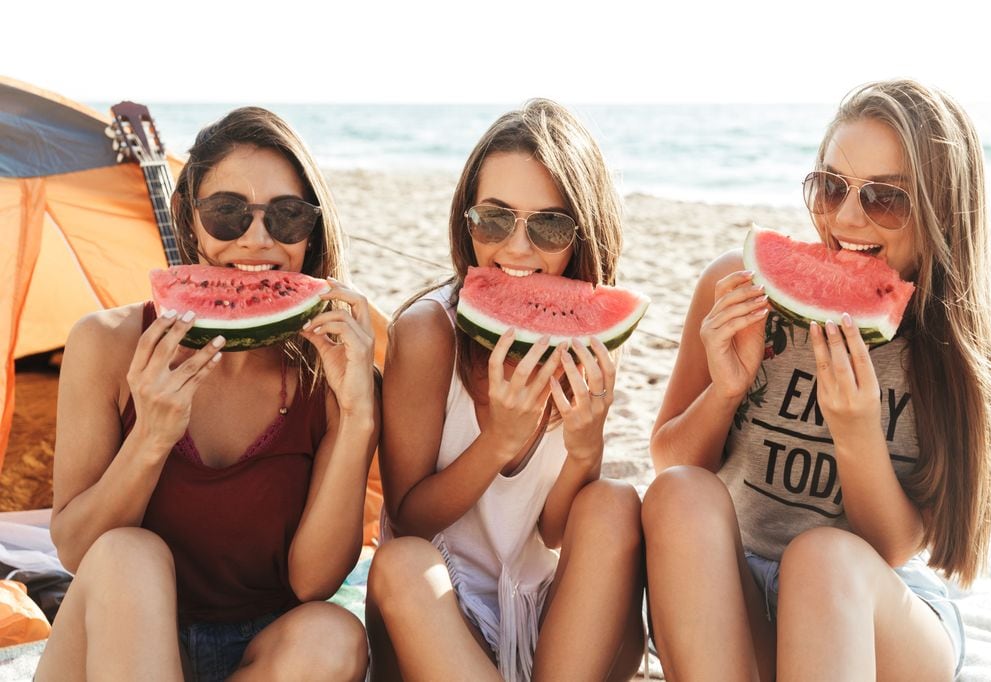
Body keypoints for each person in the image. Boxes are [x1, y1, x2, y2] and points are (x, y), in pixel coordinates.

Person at [644, 79, 991, 680]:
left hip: (874, 616)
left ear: (940, 212)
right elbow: (671, 460)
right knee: (678, 495)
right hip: (737, 597)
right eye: (830, 187)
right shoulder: (738, 289)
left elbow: (896, 548)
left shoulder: (967, 347)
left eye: (885, 198)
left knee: (819, 557)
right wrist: (726, 390)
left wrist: (855, 431)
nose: (846, 217)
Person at [35, 107, 378, 681]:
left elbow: (312, 583)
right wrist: (150, 437)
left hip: (258, 652)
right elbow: (76, 549)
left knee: (334, 634)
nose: (256, 239)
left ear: (311, 231)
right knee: (128, 556)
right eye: (227, 213)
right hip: (114, 641)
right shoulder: (106, 344)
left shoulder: (334, 370)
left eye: (288, 216)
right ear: (188, 220)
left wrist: (357, 418)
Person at [366, 99, 645, 681]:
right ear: (466, 220)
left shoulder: (587, 335)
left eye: (548, 225)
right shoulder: (427, 333)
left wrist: (586, 448)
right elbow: (409, 517)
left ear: (582, 234)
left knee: (614, 503)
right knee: (399, 561)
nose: (517, 249)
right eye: (495, 219)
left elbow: (554, 531)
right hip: (438, 613)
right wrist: (498, 443)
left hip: (543, 617)